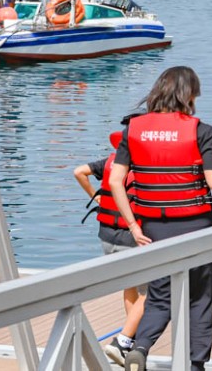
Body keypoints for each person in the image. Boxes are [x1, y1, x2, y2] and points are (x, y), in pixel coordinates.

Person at [110, 66, 212, 371]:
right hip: (195, 227)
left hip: (153, 227)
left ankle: (140, 346)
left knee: (158, 296)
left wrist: (132, 225)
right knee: (200, 299)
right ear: (188, 95)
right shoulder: (201, 130)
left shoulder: (134, 129)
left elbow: (116, 181)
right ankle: (195, 364)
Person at [73, 131, 147, 366]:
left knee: (129, 286)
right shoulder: (144, 167)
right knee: (152, 292)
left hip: (106, 235)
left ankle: (130, 336)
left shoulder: (108, 162)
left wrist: (95, 198)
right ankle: (124, 340)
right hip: (131, 236)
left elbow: (78, 172)